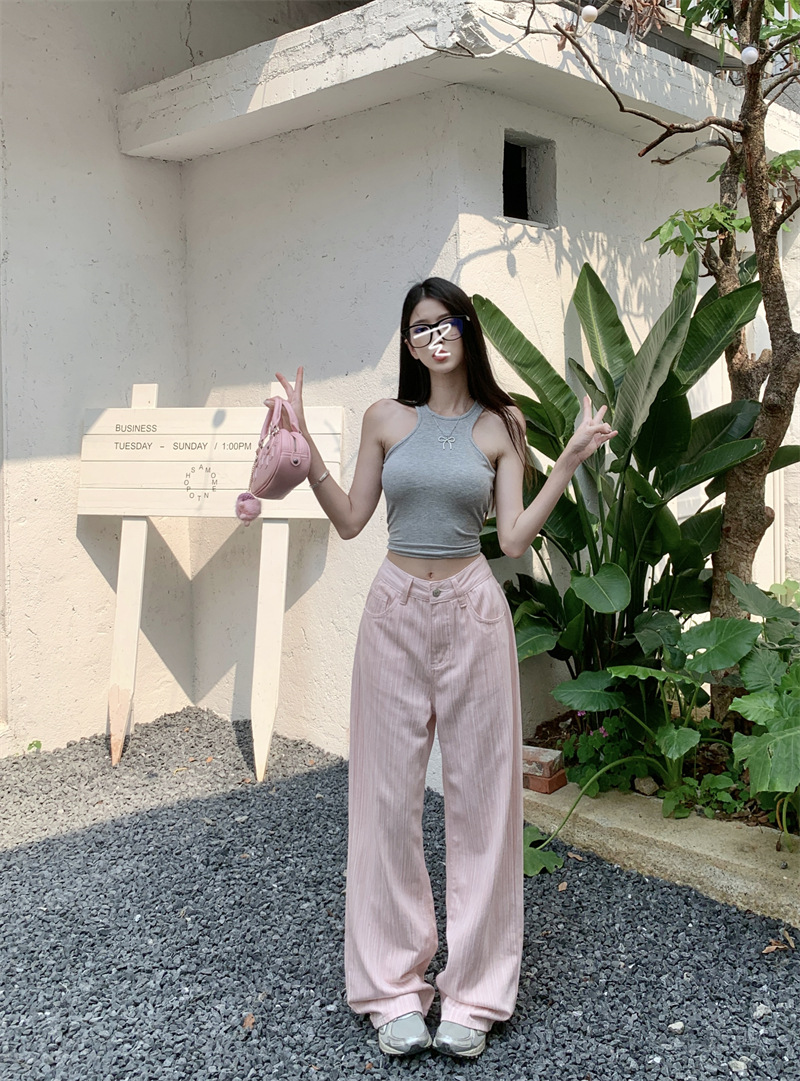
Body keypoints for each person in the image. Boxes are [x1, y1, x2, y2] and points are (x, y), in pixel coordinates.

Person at [276, 278, 615, 1059]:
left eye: (445, 322)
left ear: (467, 329)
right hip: (393, 609)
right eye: (418, 327)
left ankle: (476, 991)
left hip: (472, 607)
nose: (433, 336)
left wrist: (565, 461)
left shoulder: (502, 424)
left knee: (484, 802)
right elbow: (352, 518)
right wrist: (306, 449)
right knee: (385, 800)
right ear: (407, 342)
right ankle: (392, 986)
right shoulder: (385, 419)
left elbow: (515, 538)